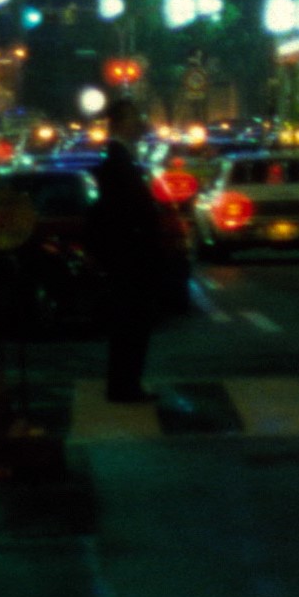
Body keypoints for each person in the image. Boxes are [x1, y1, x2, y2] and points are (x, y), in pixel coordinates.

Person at [96, 98, 175, 404]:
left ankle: (126, 383)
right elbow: (123, 213)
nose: (140, 124)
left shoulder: (122, 157)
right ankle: (124, 386)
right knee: (130, 325)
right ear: (119, 123)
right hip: (130, 257)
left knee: (130, 325)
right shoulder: (116, 160)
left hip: (129, 256)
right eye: (134, 118)